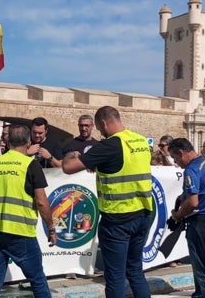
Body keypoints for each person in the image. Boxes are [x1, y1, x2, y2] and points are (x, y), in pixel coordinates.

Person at [62, 106, 153, 298]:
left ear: (103, 123)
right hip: (143, 213)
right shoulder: (140, 141)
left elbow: (68, 168)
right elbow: (124, 167)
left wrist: (73, 155)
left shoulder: (110, 145)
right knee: (135, 270)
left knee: (115, 277)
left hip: (118, 219)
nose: (99, 132)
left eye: (98, 127)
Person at [0, 124, 56, 298]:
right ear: (28, 142)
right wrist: (51, 227)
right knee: (37, 278)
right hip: (21, 232)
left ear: (8, 141)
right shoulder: (30, 164)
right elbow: (42, 202)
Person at [168, 137, 205, 298]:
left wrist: (178, 215)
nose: (176, 162)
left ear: (181, 152)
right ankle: (199, 294)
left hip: (200, 224)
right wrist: (183, 196)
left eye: (175, 157)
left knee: (203, 268)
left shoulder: (191, 169)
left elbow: (193, 202)